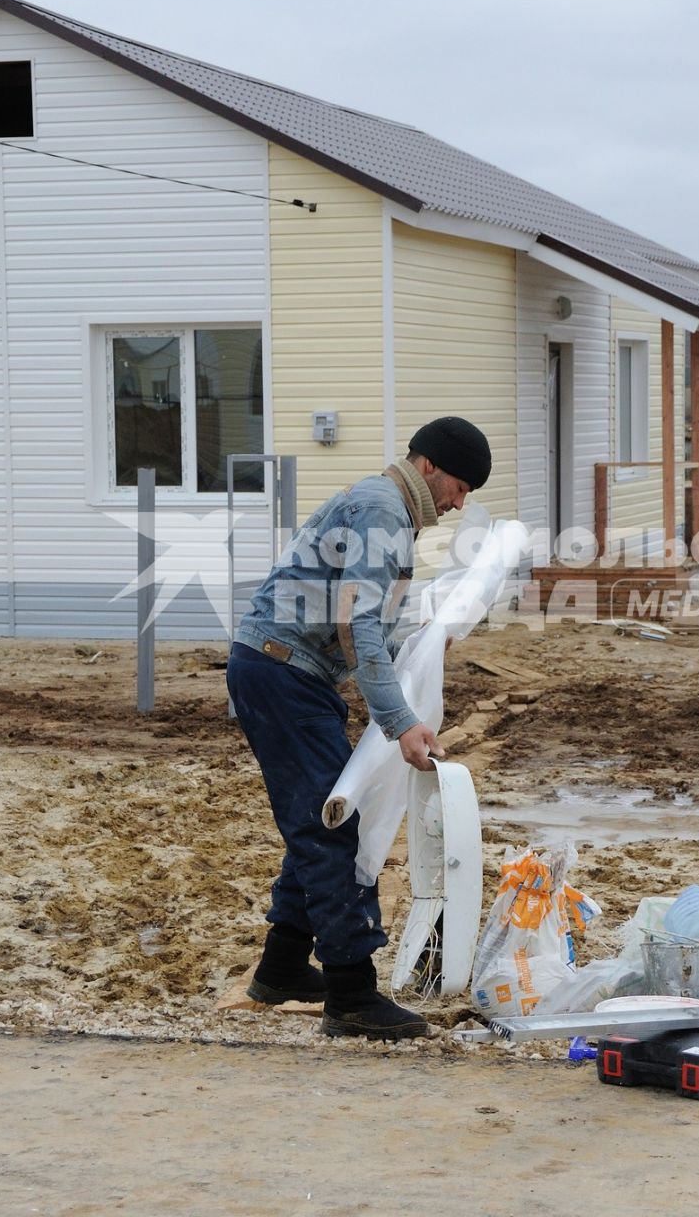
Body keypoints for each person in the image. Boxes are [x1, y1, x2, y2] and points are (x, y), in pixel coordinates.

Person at [227, 416, 491, 1040]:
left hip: (288, 672)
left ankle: (284, 967)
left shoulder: (379, 504)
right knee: (331, 830)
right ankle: (351, 996)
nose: (458, 504)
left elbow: (358, 618)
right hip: (281, 674)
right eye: (459, 486)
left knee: (323, 815)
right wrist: (401, 721)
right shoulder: (384, 511)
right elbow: (359, 625)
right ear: (429, 468)